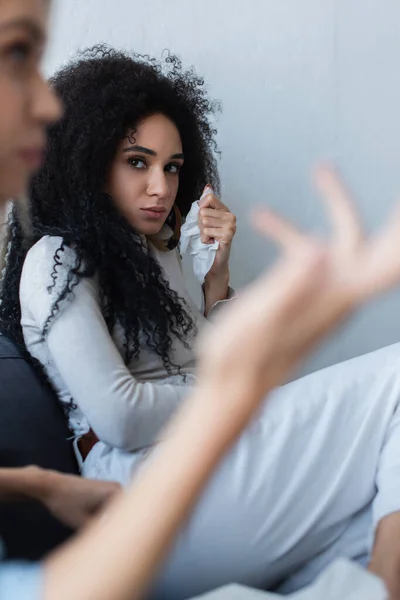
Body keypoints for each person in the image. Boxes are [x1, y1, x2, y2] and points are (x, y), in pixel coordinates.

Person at [1, 41, 400, 599]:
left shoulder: (156, 254)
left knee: (377, 500)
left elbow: (210, 364)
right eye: (137, 162)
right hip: (138, 488)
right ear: (86, 159)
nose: (161, 188)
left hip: (204, 462)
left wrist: (216, 280)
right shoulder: (58, 258)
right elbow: (121, 416)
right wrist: (238, 390)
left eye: (172, 168)